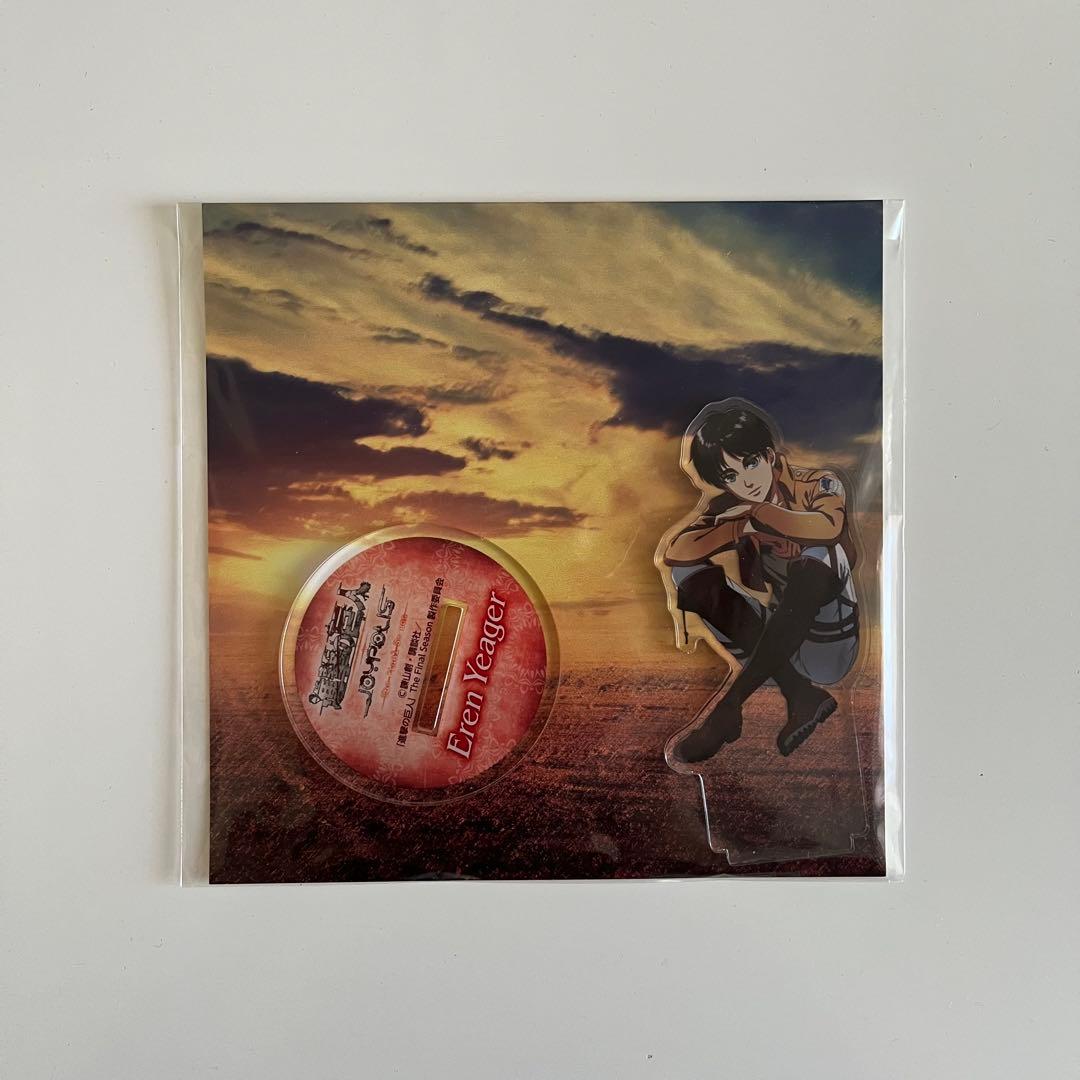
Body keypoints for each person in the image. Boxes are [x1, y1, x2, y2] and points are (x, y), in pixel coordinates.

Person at [660, 400, 859, 761]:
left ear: (769, 456)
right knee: (685, 572)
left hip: (827, 649)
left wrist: (759, 514)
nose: (746, 481)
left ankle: (729, 707)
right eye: (730, 476)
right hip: (775, 649)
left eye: (750, 463)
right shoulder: (728, 507)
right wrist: (737, 528)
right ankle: (799, 693)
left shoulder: (816, 484)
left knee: (822, 553)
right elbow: (677, 551)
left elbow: (828, 526)